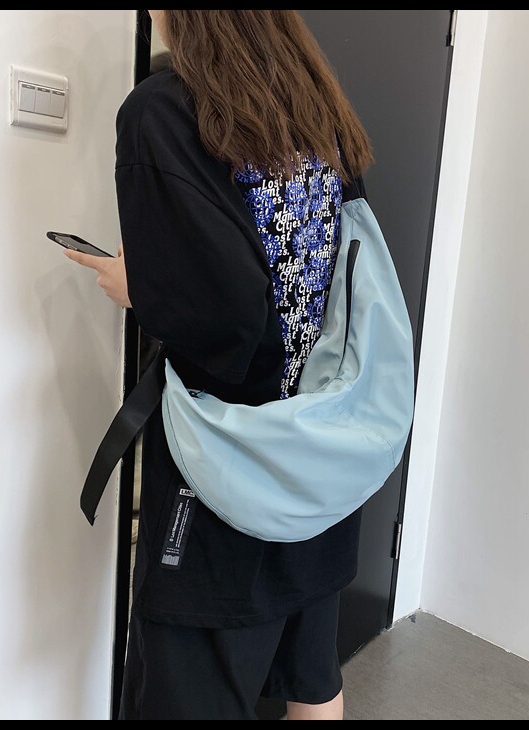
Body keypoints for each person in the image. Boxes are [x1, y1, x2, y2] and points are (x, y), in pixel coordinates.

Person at [64, 10, 373, 721]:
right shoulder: (317, 103)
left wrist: (138, 285)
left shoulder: (163, 111)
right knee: (312, 677)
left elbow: (230, 317)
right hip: (324, 453)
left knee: (189, 695)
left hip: (228, 472)